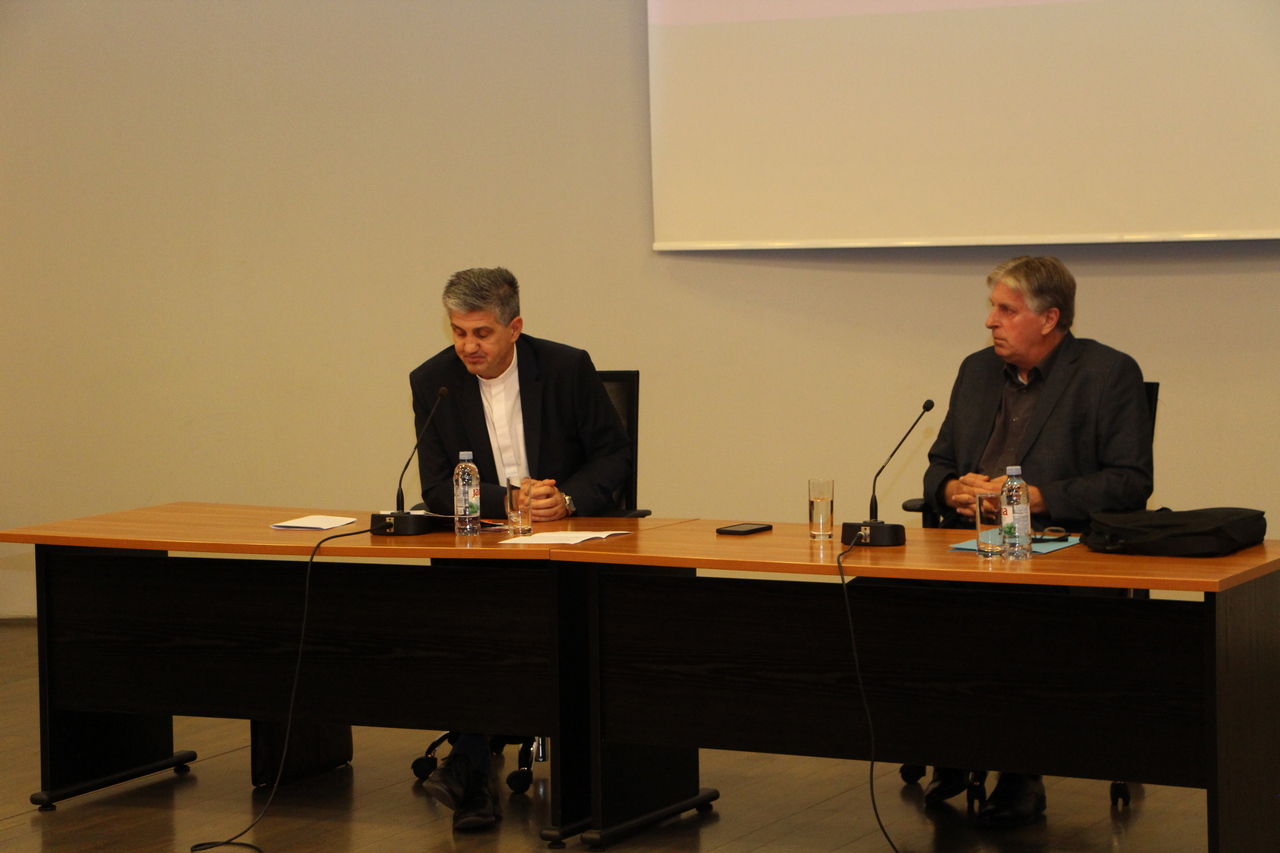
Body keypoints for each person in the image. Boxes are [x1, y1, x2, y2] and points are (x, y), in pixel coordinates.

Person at [918, 256, 1154, 827]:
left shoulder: (1107, 372)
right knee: (893, 598)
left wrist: (1039, 497)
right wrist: (952, 490)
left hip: (1061, 550)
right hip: (972, 544)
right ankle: (947, 741)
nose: (990, 322)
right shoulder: (976, 371)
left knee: (1014, 615)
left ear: (1050, 319)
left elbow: (1130, 481)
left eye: (1006, 310)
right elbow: (938, 465)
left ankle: (1021, 771)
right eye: (992, 308)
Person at [408, 266, 631, 830]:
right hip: (485, 543)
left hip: (567, 542)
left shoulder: (565, 368)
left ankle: (470, 769)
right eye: (459, 332)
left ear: (514, 328)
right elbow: (435, 486)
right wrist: (510, 500)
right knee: (472, 614)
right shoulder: (433, 381)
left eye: (481, 333)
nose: (468, 346)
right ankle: (473, 766)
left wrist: (568, 498)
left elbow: (614, 455)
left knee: (504, 615)